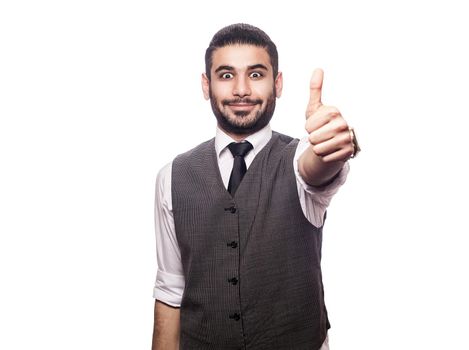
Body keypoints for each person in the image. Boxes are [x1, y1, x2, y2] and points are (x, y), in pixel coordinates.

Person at [151, 23, 360, 350]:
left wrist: (332, 146)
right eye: (226, 75)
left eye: (256, 74)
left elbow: (316, 168)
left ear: (277, 84)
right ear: (206, 85)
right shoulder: (171, 176)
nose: (241, 90)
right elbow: (170, 291)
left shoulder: (298, 158)